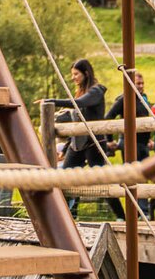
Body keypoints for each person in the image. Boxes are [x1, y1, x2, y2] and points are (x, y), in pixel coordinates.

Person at [41, 59, 107, 217]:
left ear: (86, 73)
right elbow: (76, 124)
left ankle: (121, 216)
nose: (73, 78)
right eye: (72, 75)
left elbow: (79, 103)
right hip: (77, 144)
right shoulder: (81, 91)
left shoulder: (95, 91)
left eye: (76, 74)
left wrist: (52, 101)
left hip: (93, 143)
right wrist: (65, 147)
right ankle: (69, 215)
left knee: (103, 182)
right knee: (65, 178)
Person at [104, 71, 154, 218]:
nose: (141, 86)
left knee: (144, 177)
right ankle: (139, 213)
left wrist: (150, 139)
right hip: (130, 144)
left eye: (142, 83)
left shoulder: (142, 99)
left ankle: (143, 213)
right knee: (134, 178)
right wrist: (109, 139)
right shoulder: (124, 99)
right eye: (138, 83)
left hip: (143, 144)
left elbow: (147, 121)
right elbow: (109, 116)